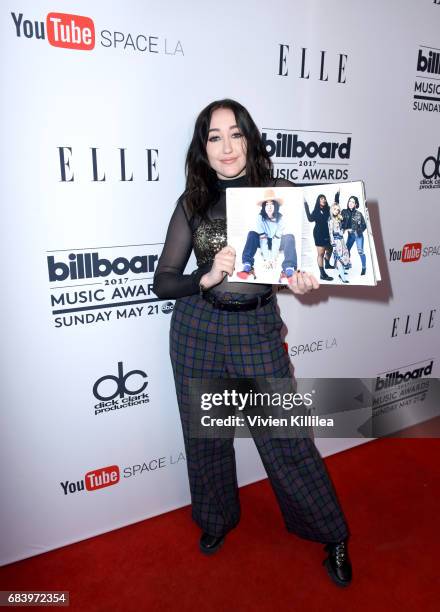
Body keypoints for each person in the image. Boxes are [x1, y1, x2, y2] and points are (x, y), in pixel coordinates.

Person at [153, 99, 352, 587]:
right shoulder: (192, 203)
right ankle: (216, 520)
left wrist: (305, 280)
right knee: (208, 437)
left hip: (255, 329)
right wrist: (206, 274)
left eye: (235, 134)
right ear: (203, 147)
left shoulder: (281, 194)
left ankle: (333, 535)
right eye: (214, 136)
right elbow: (162, 282)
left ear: (250, 139)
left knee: (286, 439)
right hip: (196, 329)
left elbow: (304, 262)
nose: (226, 146)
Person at [237, 188, 297, 283]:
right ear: (264, 207)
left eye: (271, 204)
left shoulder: (281, 219)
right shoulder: (260, 218)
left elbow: (277, 240)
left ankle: (289, 269)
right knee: (252, 234)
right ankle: (247, 265)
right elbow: (263, 239)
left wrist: (273, 258)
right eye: (267, 205)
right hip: (264, 240)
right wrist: (267, 259)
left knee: (290, 237)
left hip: (277, 241)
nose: (269, 207)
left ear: (276, 206)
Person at [304, 194, 335, 281]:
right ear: (318, 201)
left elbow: (335, 209)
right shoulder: (316, 211)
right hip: (318, 233)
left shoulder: (328, 209)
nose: (324, 200)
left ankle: (327, 264)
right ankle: (322, 274)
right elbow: (310, 219)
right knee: (321, 253)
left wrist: (337, 195)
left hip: (327, 233)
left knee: (330, 249)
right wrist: (306, 205)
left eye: (324, 198)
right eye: (322, 199)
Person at [341, 195, 367, 275]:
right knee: (346, 250)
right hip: (350, 235)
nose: (350, 203)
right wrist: (343, 229)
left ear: (356, 204)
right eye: (349, 201)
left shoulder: (359, 214)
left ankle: (364, 267)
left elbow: (364, 225)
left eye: (353, 202)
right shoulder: (344, 212)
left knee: (360, 251)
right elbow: (341, 222)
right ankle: (348, 263)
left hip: (358, 235)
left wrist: (356, 230)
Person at [328, 202, 351, 284]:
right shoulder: (331, 221)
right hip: (336, 242)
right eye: (335, 209)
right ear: (331, 209)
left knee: (345, 255)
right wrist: (333, 246)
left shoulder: (338, 219)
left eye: (338, 209)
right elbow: (331, 234)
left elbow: (341, 231)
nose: (336, 211)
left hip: (342, 241)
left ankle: (342, 273)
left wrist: (345, 229)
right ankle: (343, 278)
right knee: (339, 258)